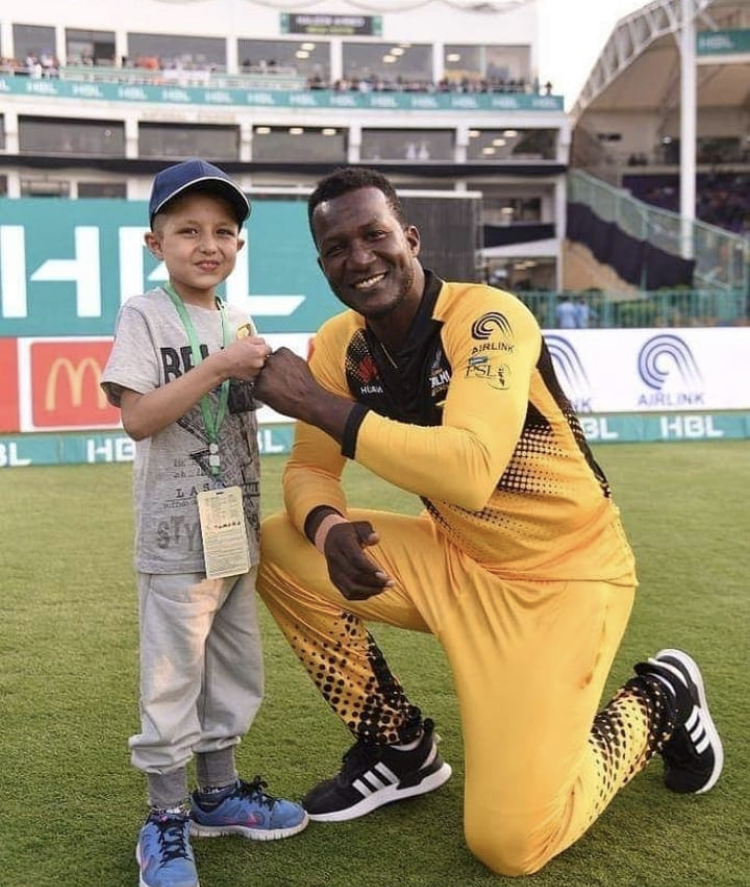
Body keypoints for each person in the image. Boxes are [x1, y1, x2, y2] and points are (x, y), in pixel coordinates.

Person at [252, 167, 723, 876]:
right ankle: (398, 747)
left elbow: (470, 467)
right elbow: (309, 471)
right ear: (322, 264)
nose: (360, 257)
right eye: (337, 246)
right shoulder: (342, 342)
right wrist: (325, 525)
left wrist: (321, 406)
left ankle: (663, 695)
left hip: (564, 576)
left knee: (508, 844)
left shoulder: (487, 318)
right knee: (274, 543)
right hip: (455, 559)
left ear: (408, 237)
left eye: (374, 234)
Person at [101, 158, 308, 887]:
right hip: (173, 538)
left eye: (223, 230)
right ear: (156, 244)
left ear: (239, 246)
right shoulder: (144, 313)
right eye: (187, 229)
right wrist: (220, 366)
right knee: (171, 680)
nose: (207, 243)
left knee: (233, 671)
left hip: (234, 528)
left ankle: (216, 795)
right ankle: (163, 817)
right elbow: (137, 418)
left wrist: (282, 380)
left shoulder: (236, 319)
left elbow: (241, 406)